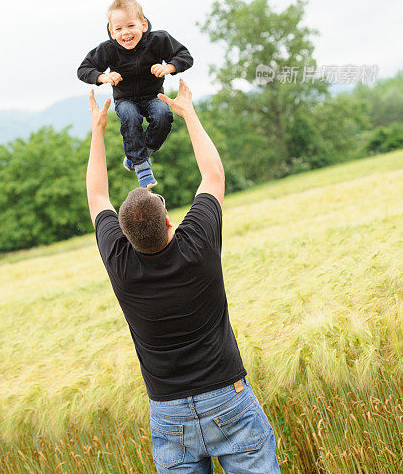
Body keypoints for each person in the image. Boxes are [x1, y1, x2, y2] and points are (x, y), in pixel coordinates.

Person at [86, 79, 282, 474]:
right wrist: (188, 113)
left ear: (122, 236)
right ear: (171, 222)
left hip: (169, 415)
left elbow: (96, 196)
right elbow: (213, 175)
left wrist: (98, 130)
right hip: (228, 399)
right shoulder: (197, 245)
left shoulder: (120, 264)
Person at [78, 0, 193, 188]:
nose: (126, 33)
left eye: (131, 26)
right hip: (125, 100)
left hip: (153, 95)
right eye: (119, 29)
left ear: (143, 24)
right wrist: (103, 77)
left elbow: (185, 56)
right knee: (130, 117)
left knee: (164, 115)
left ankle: (136, 155)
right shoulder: (108, 49)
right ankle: (143, 170)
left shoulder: (159, 40)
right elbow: (83, 69)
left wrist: (169, 67)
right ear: (112, 32)